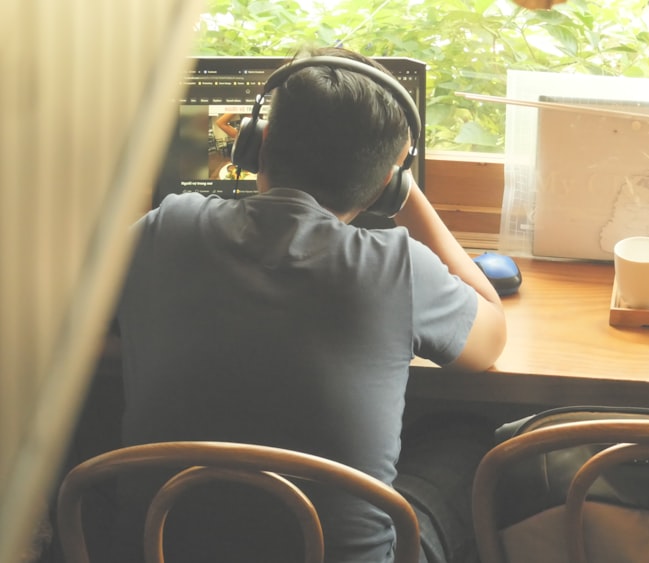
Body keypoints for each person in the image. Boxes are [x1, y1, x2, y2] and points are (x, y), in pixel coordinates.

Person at [109, 46, 507, 563]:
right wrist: (406, 194)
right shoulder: (399, 267)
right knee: (469, 439)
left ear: (256, 143)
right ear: (388, 184)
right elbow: (491, 339)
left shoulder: (165, 228)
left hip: (154, 551)